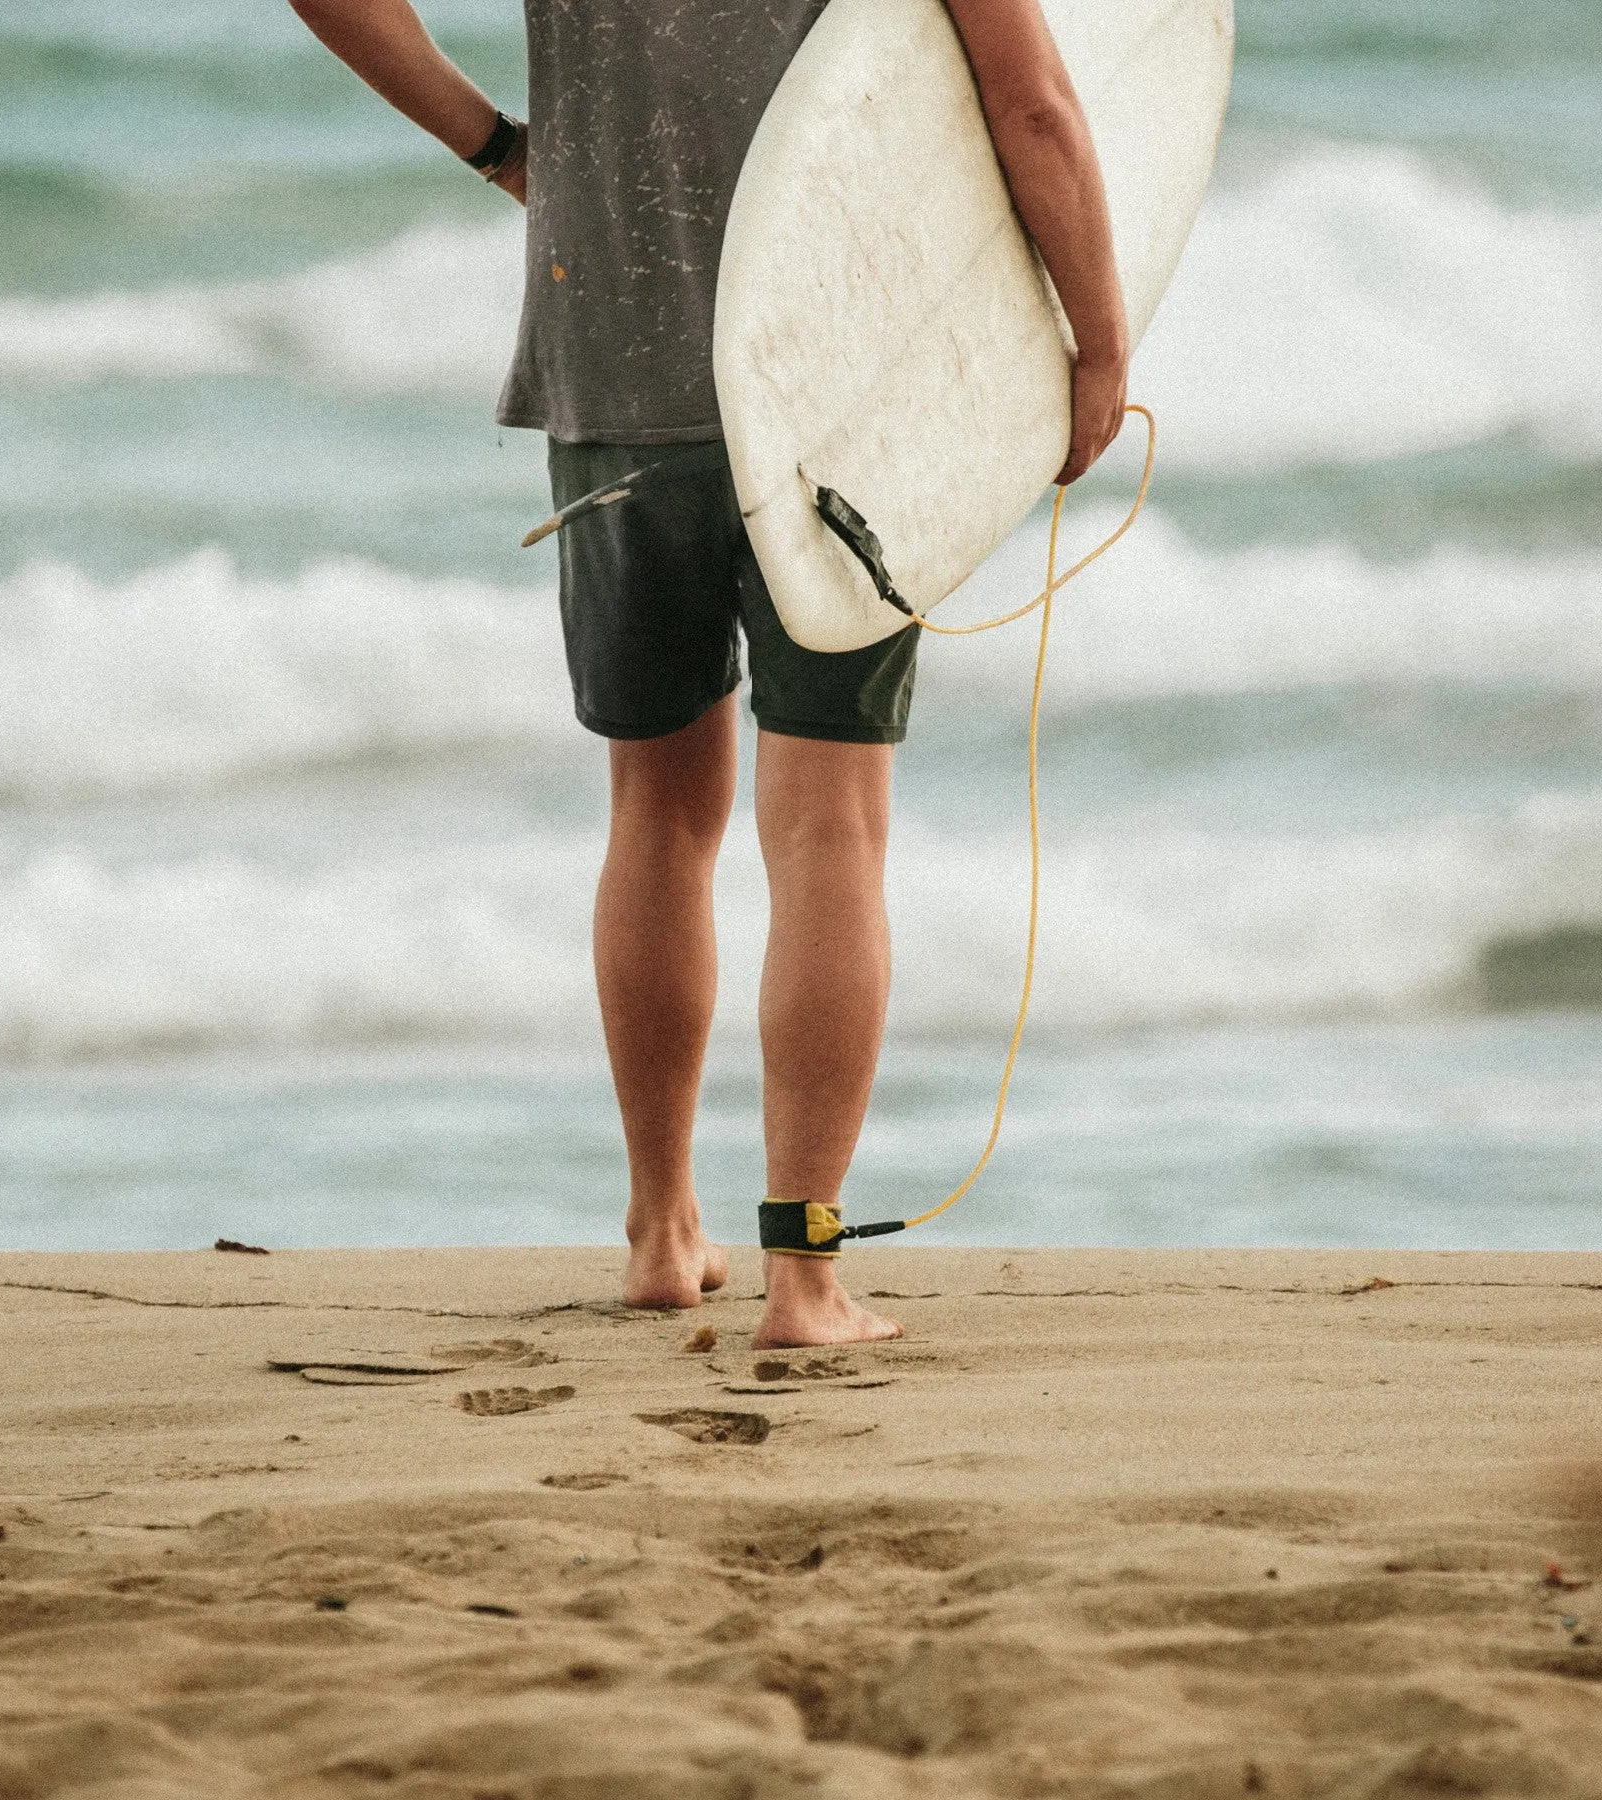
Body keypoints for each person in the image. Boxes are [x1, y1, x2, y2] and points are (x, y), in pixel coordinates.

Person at [288, 0, 1127, 1346]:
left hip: (614, 372)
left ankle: (661, 1231)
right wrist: (1101, 342)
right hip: (836, 386)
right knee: (829, 833)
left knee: (660, 818)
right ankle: (805, 1278)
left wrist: (499, 144)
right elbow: (1031, 104)